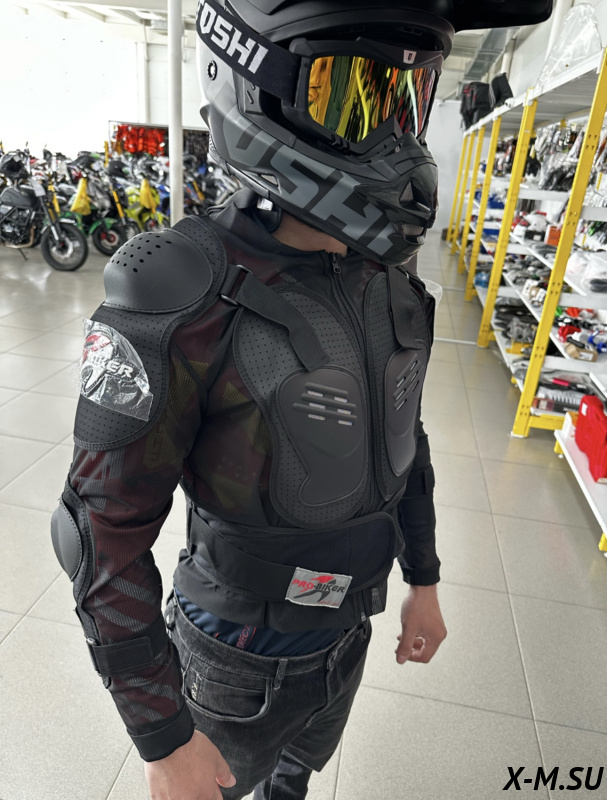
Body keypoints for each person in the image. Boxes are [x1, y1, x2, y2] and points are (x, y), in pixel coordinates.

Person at [51, 2, 554, 798]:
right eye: (352, 96)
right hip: (233, 654)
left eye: (405, 99)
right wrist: (161, 736)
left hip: (346, 632)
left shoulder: (387, 280)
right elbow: (97, 532)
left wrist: (422, 580)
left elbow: (403, 442)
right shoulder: (178, 288)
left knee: (292, 785)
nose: (390, 139)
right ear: (255, 86)